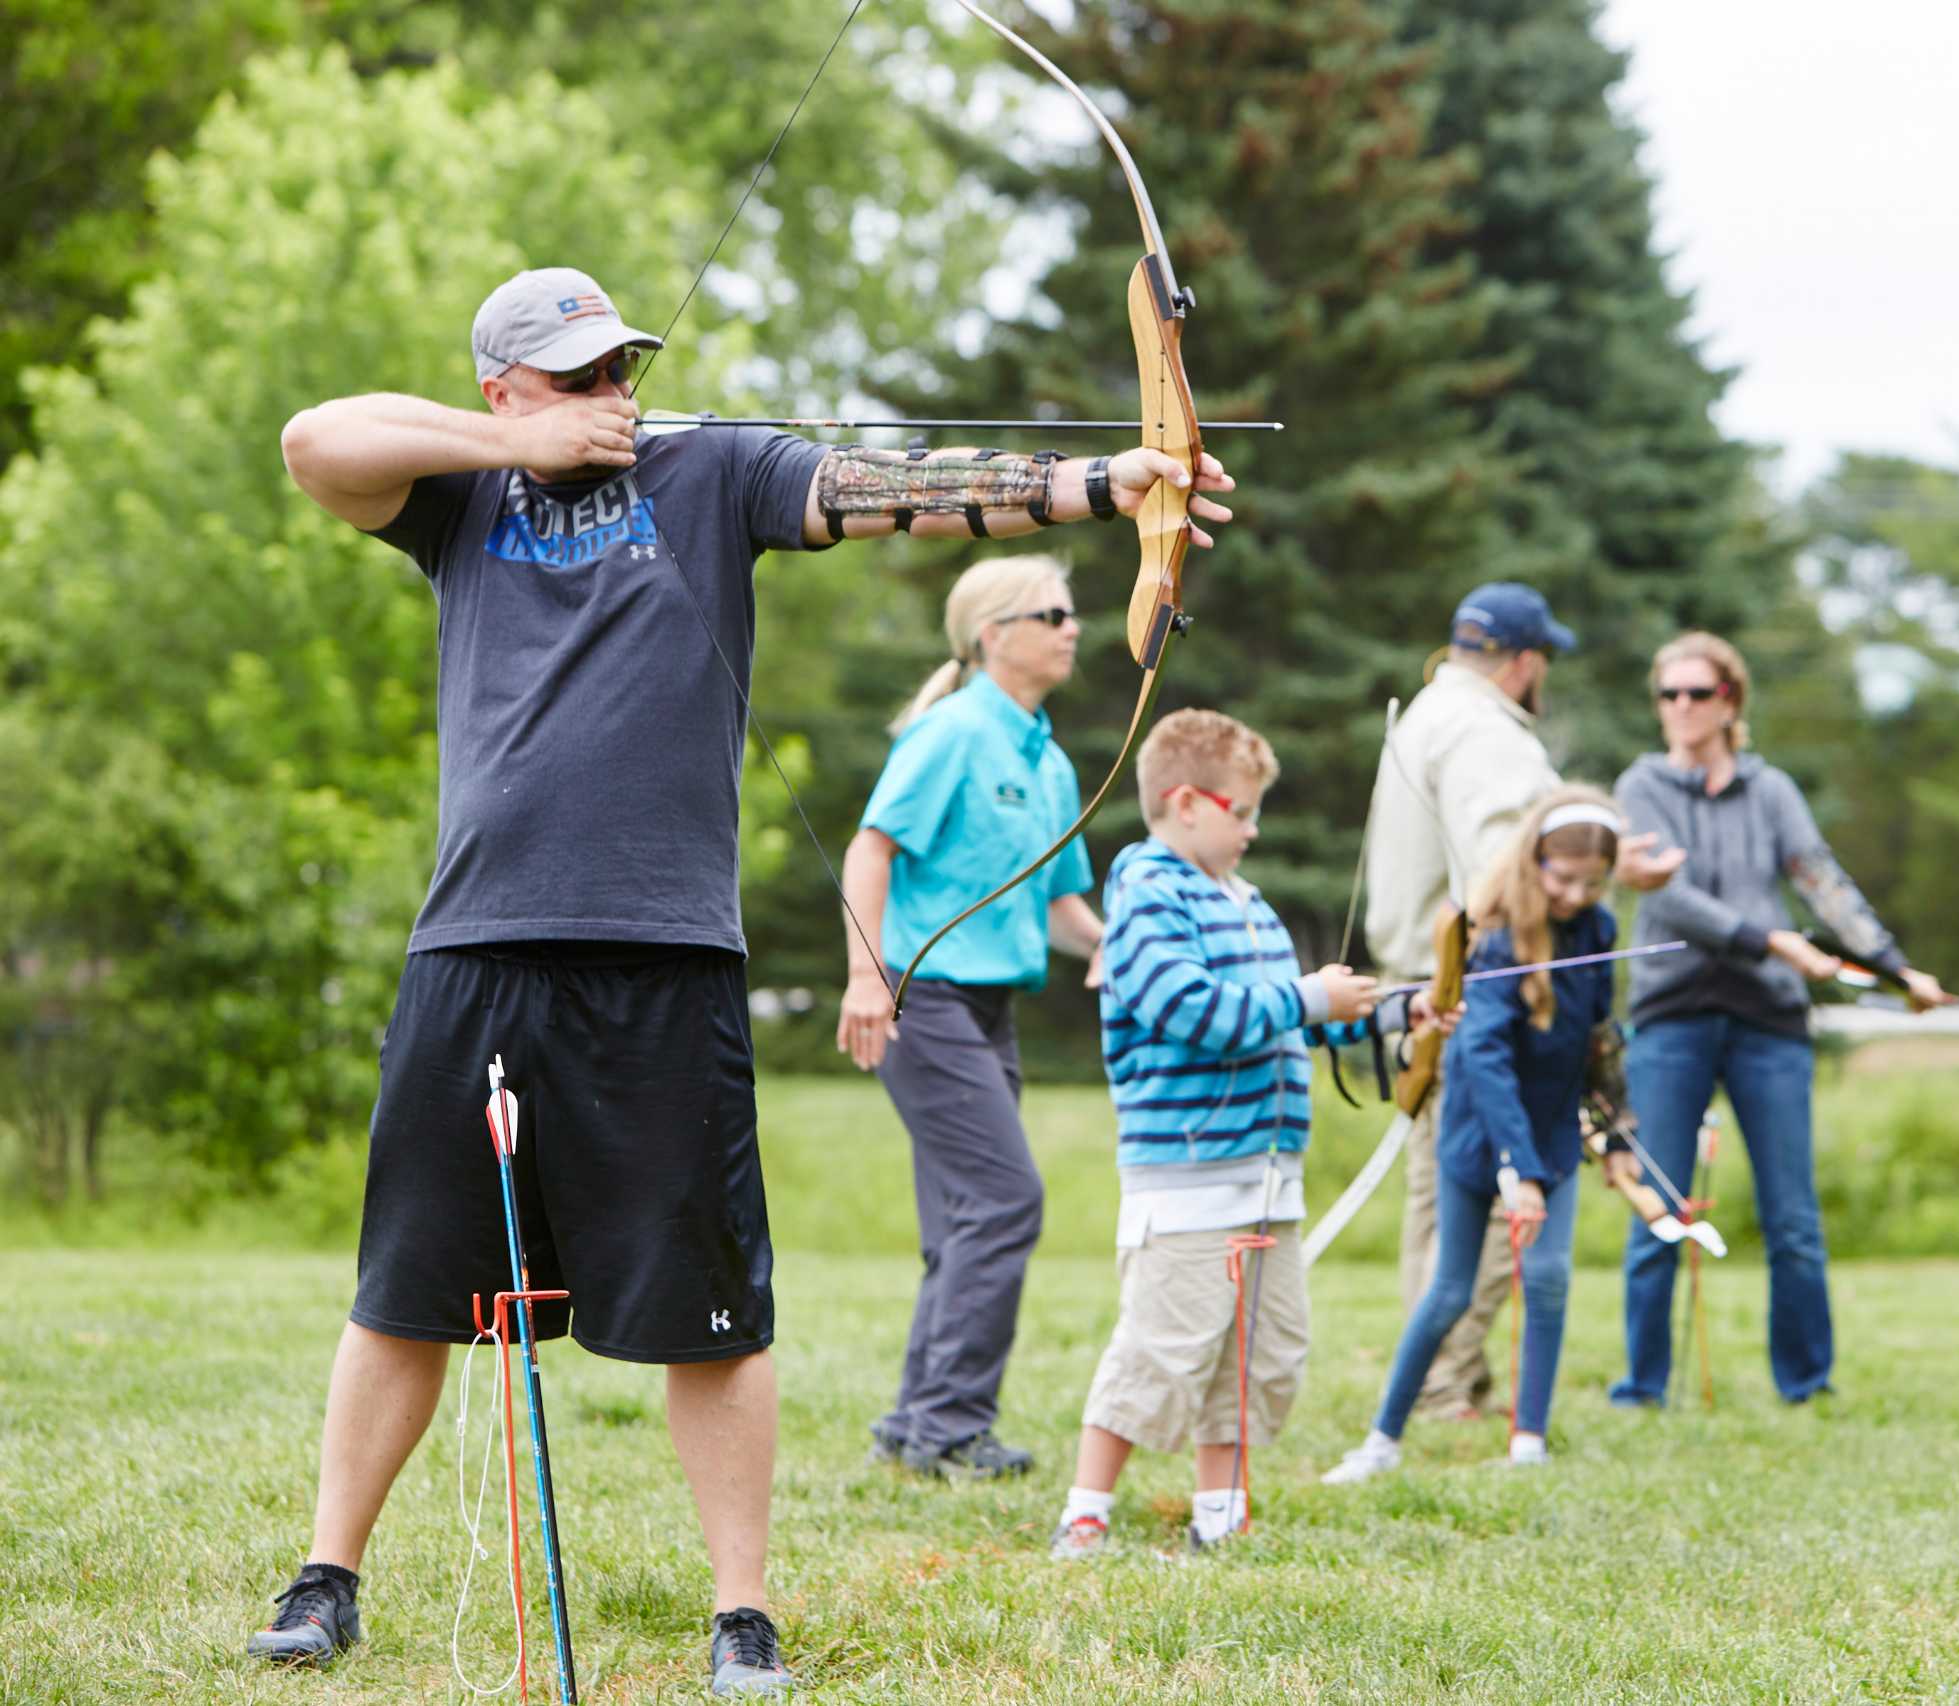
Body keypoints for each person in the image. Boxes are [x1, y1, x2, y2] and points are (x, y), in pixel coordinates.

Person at [256, 266, 1232, 1695]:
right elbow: (310, 440)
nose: (612, 395)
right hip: (481, 942)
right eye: (578, 376)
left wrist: (1103, 483)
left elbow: (887, 485)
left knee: (712, 1301)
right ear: (503, 387)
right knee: (409, 1284)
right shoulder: (457, 496)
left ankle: (742, 1612)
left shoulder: (710, 470)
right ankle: (328, 1575)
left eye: (620, 369)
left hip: (669, 955)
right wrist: (510, 453)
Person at [1049, 711, 1448, 1557]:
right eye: (1244, 809)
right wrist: (1308, 998)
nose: (1255, 827)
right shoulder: (1147, 890)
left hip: (1269, 1185)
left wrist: (1400, 1010)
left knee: (1256, 1357)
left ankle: (1219, 1517)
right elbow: (1191, 1010)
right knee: (1161, 1351)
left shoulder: (1249, 903)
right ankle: (1085, 1512)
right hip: (1187, 1185)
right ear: (1188, 802)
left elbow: (1287, 1022)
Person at [1357, 585, 1679, 1421]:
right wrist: (1607, 867)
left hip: (1431, 989)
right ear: (1526, 662)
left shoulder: (1430, 712)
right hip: (1480, 994)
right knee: (1493, 1191)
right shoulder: (1484, 733)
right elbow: (1513, 862)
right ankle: (1443, 1390)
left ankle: (1443, 1383)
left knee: (1442, 1198)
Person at [1608, 631, 1947, 1408]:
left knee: (1792, 1216)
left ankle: (1806, 1383)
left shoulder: (1772, 791)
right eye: (1669, 694)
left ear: (1731, 702)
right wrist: (1770, 940)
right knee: (1659, 1203)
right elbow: (1669, 896)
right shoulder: (1643, 786)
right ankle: (1641, 1389)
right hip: (1672, 1014)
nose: (1681, 708)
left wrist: (1897, 970)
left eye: (1698, 693)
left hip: (1768, 1021)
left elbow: (1823, 884)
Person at [833, 554, 1107, 1480]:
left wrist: (1117, 949)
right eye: (1054, 613)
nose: (1074, 627)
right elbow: (870, 852)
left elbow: (1062, 909)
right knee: (1003, 1200)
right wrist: (868, 978)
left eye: (1072, 614)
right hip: (924, 995)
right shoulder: (950, 734)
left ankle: (915, 1426)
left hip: (992, 1008)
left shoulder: (1051, 759)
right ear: (995, 634)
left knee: (964, 1215)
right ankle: (952, 1430)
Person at [1324, 787, 1625, 1482]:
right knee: (1450, 1291)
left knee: (1546, 1278)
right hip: (1480, 1129)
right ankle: (1381, 1440)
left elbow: (1597, 1034)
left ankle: (1528, 1443)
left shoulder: (1596, 929)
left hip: (1549, 1127)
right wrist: (1513, 1168)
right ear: (1534, 861)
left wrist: (1613, 1125)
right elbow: (1484, 1060)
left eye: (1592, 882)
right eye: (1563, 878)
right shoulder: (1491, 937)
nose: (1576, 895)